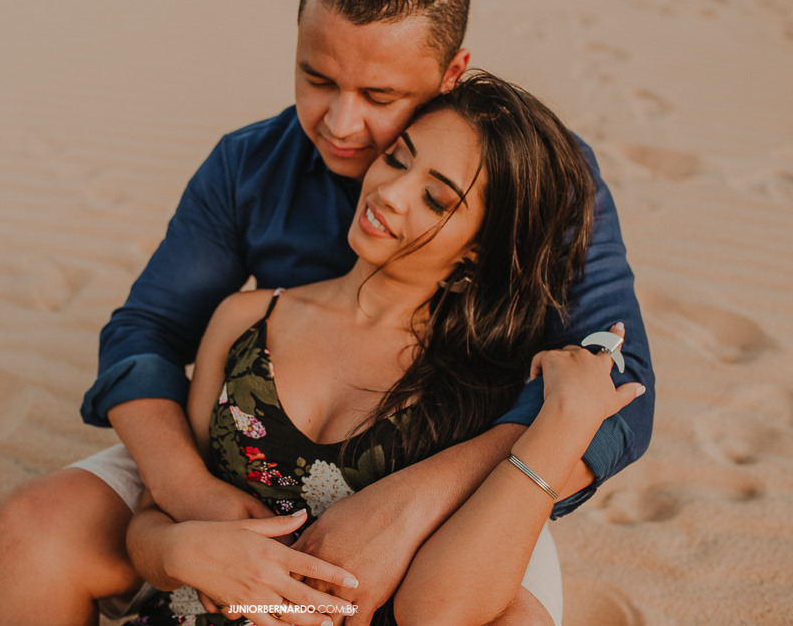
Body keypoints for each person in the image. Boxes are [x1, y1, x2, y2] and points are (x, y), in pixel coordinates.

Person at [0, 0, 654, 625]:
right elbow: (146, 333)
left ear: (451, 74)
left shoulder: (532, 177)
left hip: (456, 456)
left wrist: (409, 505)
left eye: (380, 97)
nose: (341, 123)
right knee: (37, 525)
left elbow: (615, 382)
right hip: (252, 448)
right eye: (317, 79)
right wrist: (194, 499)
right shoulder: (248, 167)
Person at [120, 73, 644, 626]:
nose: (390, 193)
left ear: (477, 250)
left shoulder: (482, 391)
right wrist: (177, 552)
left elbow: (444, 611)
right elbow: (151, 521)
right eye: (396, 159)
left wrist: (566, 419)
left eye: (435, 199)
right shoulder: (245, 319)